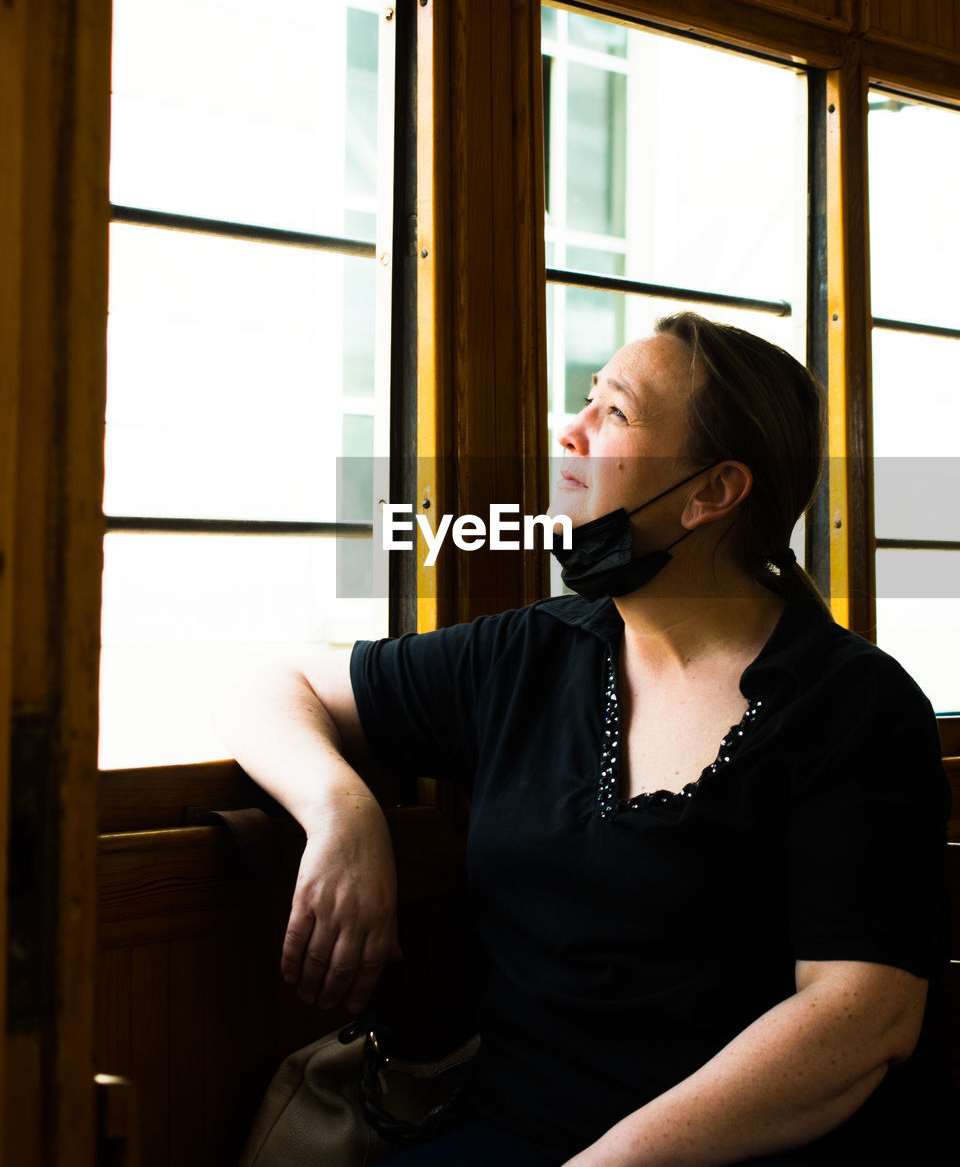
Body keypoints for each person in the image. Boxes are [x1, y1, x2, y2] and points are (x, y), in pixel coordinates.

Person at [226, 313, 951, 1166]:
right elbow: (271, 686)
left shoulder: (854, 707)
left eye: (615, 414)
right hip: (507, 1135)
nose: (567, 433)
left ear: (712, 493)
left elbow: (864, 1013)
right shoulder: (529, 654)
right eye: (585, 400)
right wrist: (344, 814)